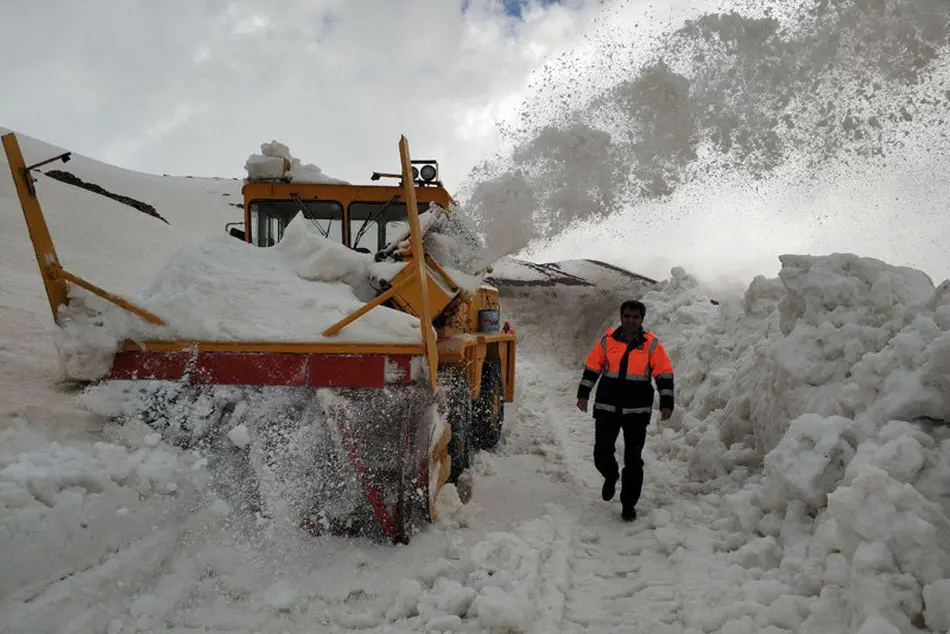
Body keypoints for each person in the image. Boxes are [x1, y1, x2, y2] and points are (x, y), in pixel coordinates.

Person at [576, 299, 674, 521]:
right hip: (607, 408)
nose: (631, 320)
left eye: (635, 317)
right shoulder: (607, 342)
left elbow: (664, 374)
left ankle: (628, 504)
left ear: (642, 319)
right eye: (627, 316)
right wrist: (583, 394)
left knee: (633, 459)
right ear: (621, 317)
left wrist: (667, 403)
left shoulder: (652, 346)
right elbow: (592, 368)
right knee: (601, 453)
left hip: (637, 413)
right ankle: (610, 474)